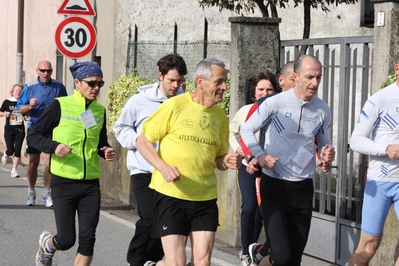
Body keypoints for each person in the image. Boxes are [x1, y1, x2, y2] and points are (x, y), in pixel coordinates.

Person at [136, 58, 241, 266]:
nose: (224, 87)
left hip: (205, 197)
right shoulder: (175, 106)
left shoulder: (220, 117)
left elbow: (218, 159)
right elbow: (142, 141)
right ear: (200, 82)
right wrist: (163, 168)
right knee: (176, 263)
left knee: (202, 262)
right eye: (219, 82)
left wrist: (225, 161)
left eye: (225, 82)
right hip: (171, 195)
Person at [240, 54, 335, 266]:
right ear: (295, 76)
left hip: (303, 189)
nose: (315, 83)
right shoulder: (276, 103)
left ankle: (258, 262)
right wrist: (260, 155)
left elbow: (324, 142)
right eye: (310, 77)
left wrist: (326, 156)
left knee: (293, 259)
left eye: (318, 77)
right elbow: (246, 129)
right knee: (281, 257)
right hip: (274, 187)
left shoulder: (322, 108)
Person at [27, 61, 115, 266]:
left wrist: (107, 150)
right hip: (63, 182)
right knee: (66, 240)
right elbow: (34, 135)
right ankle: (48, 245)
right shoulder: (60, 105)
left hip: (90, 184)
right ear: (77, 82)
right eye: (91, 83)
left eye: (100, 84)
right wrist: (54, 146)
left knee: (88, 240)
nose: (96, 88)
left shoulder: (100, 111)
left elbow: (99, 142)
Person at [113, 53, 187, 266]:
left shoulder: (184, 102)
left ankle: (152, 261)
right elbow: (121, 128)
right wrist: (138, 141)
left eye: (179, 80)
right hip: (144, 170)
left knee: (166, 223)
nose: (176, 85)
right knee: (150, 218)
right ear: (160, 76)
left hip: (171, 173)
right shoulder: (139, 101)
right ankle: (136, 260)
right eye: (171, 80)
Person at [348, 53, 399, 266]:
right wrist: (385, 148)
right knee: (368, 247)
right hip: (381, 182)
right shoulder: (381, 99)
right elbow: (355, 141)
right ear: (397, 68)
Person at [229, 71, 278, 266]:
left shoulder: (278, 112)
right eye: (261, 90)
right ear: (254, 92)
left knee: (261, 210)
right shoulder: (245, 111)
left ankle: (254, 250)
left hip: (269, 169)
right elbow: (231, 133)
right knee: (249, 206)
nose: (265, 93)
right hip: (247, 166)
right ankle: (245, 250)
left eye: (269, 89)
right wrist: (238, 148)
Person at [17, 60, 67, 207]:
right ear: (37, 71)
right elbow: (20, 109)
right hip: (35, 128)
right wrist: (30, 106)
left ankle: (46, 193)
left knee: (50, 162)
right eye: (43, 70)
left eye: (49, 71)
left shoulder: (59, 87)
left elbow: (66, 105)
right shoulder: (30, 87)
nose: (46, 73)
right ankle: (31, 192)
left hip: (53, 129)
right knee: (33, 162)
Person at [0, 83, 25, 177]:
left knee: (18, 150)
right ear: (13, 92)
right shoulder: (7, 102)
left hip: (20, 129)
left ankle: (14, 170)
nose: (18, 92)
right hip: (9, 129)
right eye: (16, 90)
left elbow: (26, 113)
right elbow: (0, 112)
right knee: (11, 150)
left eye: (20, 91)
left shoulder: (23, 102)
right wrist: (4, 114)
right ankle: (6, 153)